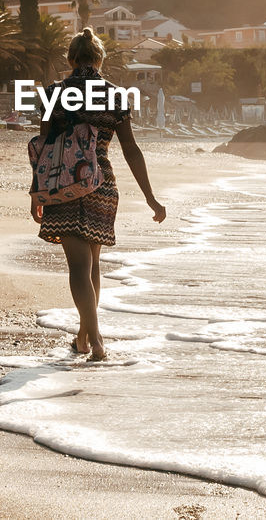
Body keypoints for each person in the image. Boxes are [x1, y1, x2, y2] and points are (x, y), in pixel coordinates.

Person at [30, 27, 166, 361]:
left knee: (78, 267)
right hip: (102, 183)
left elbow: (45, 147)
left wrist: (37, 192)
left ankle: (97, 340)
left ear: (71, 59)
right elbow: (131, 150)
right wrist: (150, 196)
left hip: (63, 183)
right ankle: (83, 338)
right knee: (92, 266)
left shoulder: (53, 94)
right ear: (100, 59)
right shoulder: (116, 96)